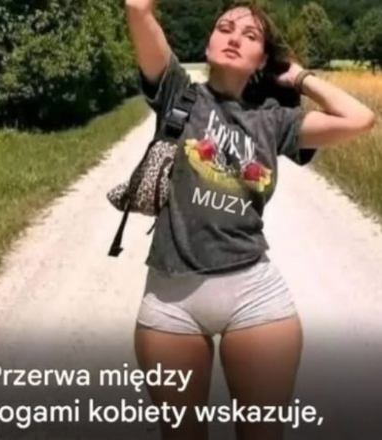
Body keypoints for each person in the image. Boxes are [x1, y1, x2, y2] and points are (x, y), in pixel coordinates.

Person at [125, 1, 376, 439]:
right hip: (170, 303)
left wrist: (299, 76)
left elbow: (361, 119)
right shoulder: (177, 94)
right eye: (224, 28)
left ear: (263, 61)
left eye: (250, 35)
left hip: (254, 297)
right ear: (208, 44)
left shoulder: (274, 121)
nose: (235, 37)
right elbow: (136, 8)